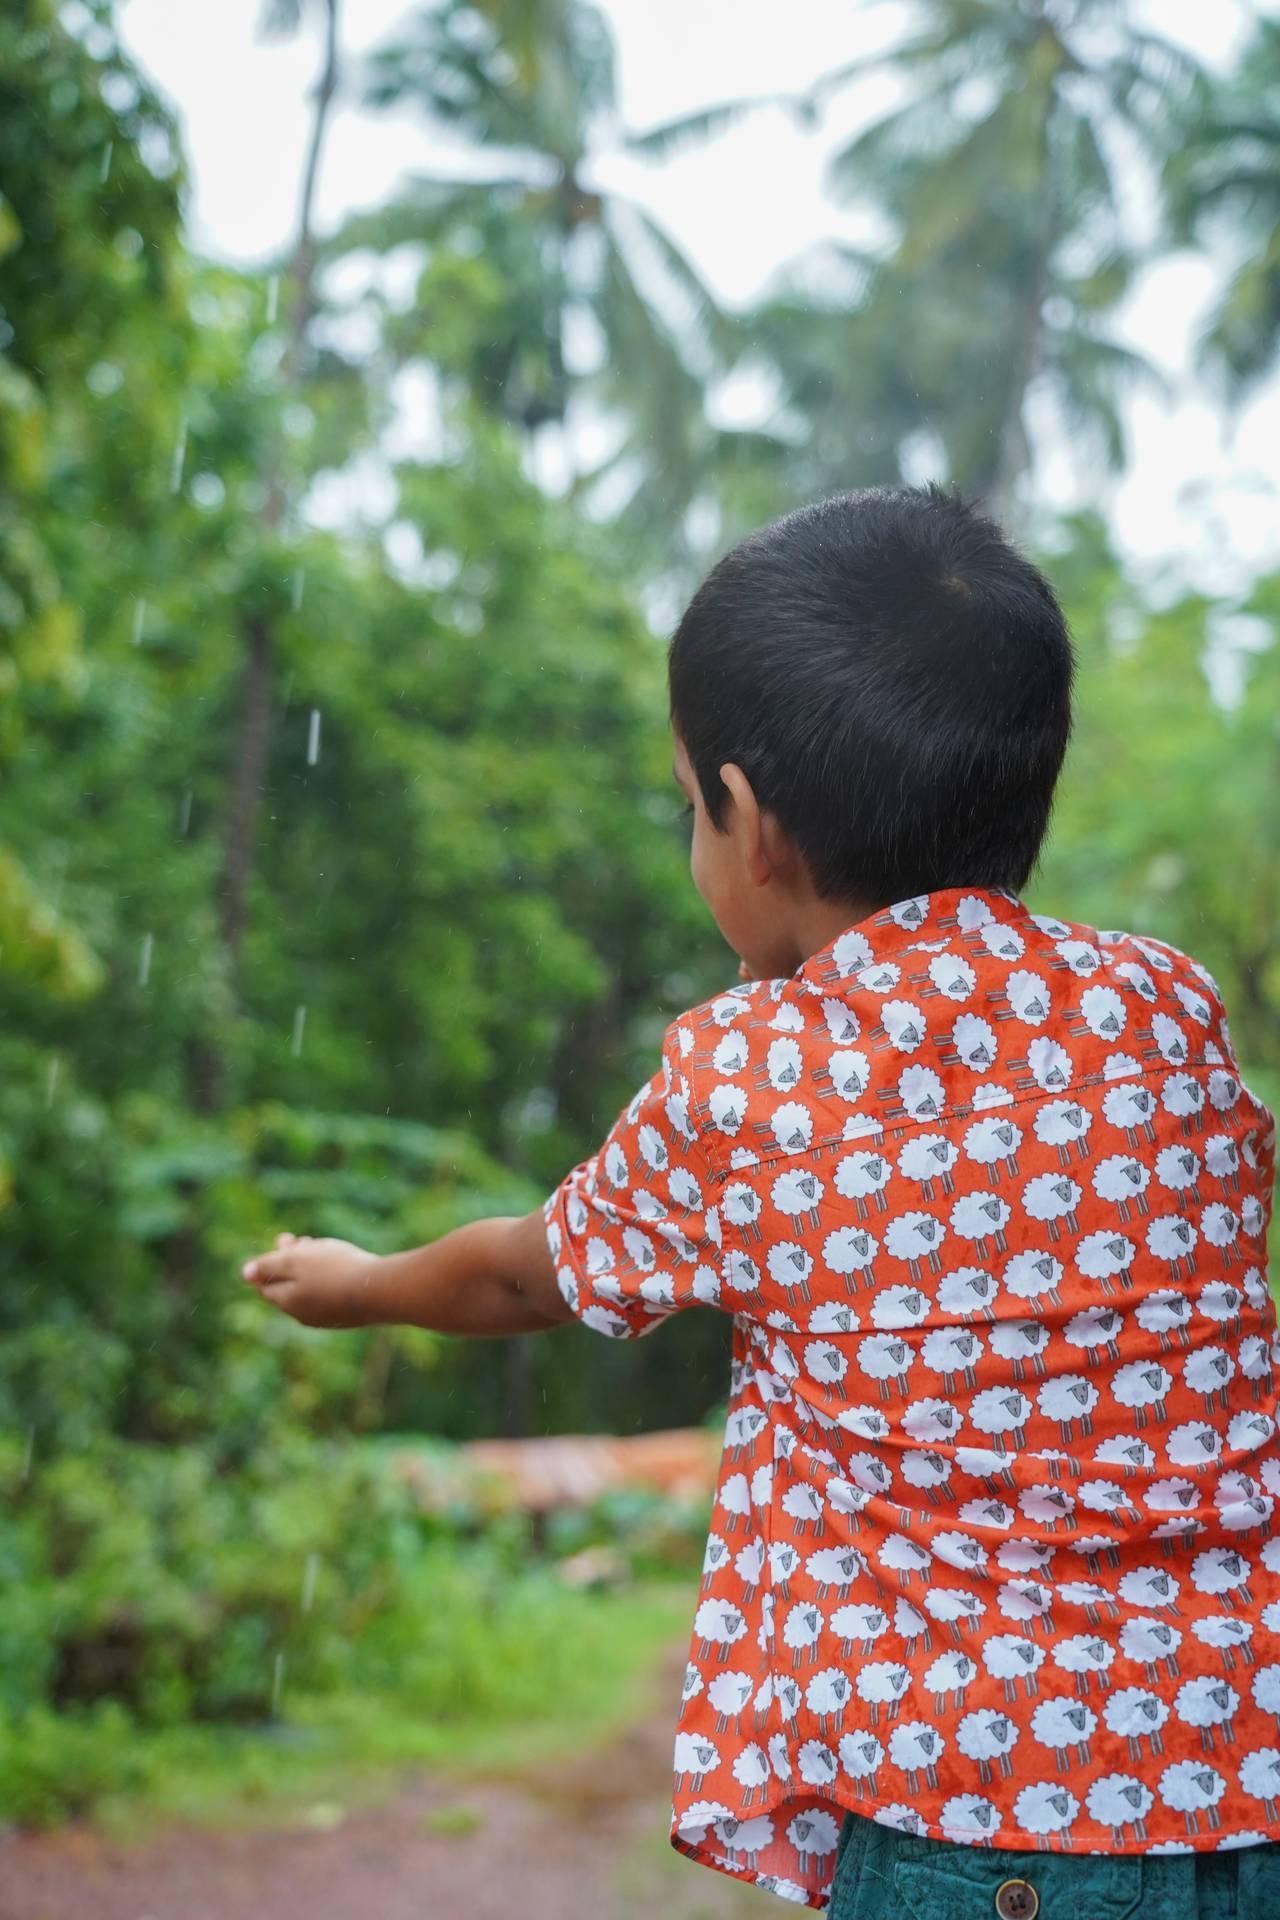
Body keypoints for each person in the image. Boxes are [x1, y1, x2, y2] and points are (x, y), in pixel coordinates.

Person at [241, 485, 1280, 1917]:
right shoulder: (1162, 1005)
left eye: (691, 808)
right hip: (1242, 1787)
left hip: (968, 1827)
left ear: (753, 828)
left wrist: (358, 1282)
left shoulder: (749, 1076)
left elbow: (528, 1277)